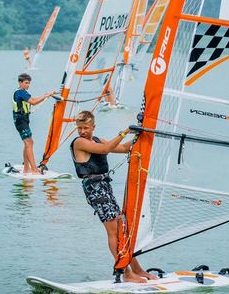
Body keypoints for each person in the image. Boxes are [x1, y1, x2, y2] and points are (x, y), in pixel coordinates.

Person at [70, 111, 157, 283]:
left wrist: (140, 133)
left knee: (121, 228)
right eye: (79, 128)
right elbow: (105, 149)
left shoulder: (97, 139)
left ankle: (137, 270)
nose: (82, 131)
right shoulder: (79, 143)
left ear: (93, 127)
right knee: (114, 231)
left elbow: (124, 148)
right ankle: (125, 272)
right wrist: (124, 131)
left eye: (85, 128)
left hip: (104, 186)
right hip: (94, 189)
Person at [12, 73, 56, 175]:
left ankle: (27, 168)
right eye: (26, 83)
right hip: (20, 120)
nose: (28, 85)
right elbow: (33, 101)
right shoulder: (20, 92)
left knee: (28, 143)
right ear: (20, 83)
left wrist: (47, 95)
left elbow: (33, 100)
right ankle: (34, 170)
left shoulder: (23, 92)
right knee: (29, 143)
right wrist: (46, 95)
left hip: (24, 119)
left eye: (29, 83)